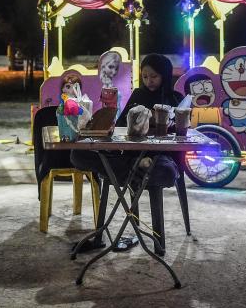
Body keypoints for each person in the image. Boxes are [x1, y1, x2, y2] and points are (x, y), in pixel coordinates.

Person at [70, 53, 183, 250]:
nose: (149, 81)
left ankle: (129, 170)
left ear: (165, 75)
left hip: (159, 158)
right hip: (131, 156)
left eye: (154, 76)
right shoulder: (138, 95)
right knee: (78, 154)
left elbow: (181, 137)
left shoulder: (176, 99)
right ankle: (135, 168)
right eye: (145, 76)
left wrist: (162, 124)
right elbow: (121, 125)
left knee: (165, 172)